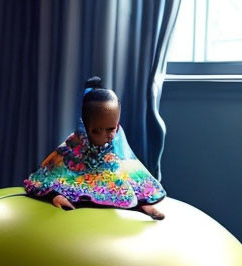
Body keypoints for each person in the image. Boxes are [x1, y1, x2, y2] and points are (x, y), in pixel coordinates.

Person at [24, 77, 166, 220]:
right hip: (80, 186)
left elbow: (130, 173)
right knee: (60, 187)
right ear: (85, 127)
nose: (107, 136)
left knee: (131, 188)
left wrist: (142, 200)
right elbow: (48, 177)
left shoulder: (117, 144)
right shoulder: (74, 144)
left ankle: (140, 205)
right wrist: (55, 195)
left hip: (111, 188)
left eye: (111, 129)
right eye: (98, 130)